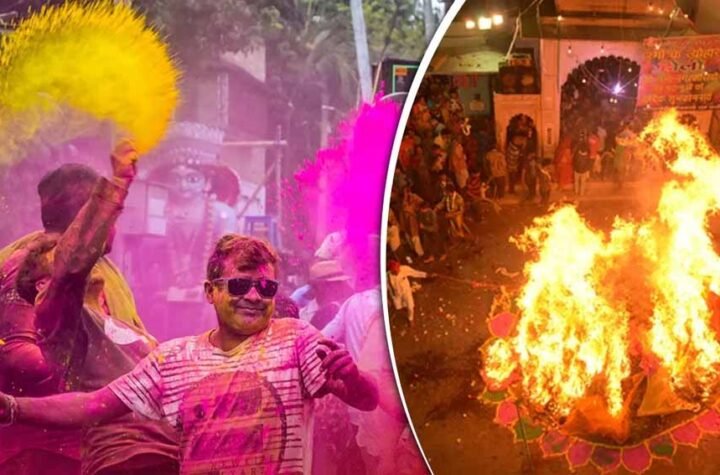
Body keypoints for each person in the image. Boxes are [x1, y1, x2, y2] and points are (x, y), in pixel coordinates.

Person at [0, 234, 379, 474]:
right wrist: (13, 407)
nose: (253, 296)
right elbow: (94, 405)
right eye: (240, 285)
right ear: (210, 291)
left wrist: (354, 378)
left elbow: (366, 399)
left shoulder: (296, 338)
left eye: (265, 288)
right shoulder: (173, 358)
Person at [8, 141, 179, 474]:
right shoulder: (62, 322)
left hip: (164, 451)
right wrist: (117, 183)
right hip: (122, 459)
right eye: (58, 262)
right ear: (43, 285)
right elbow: (72, 266)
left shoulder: (111, 318)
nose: (84, 266)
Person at [134, 122, 239, 340]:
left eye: (192, 179)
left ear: (207, 182)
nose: (183, 186)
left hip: (208, 296)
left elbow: (229, 259)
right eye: (176, 179)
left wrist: (208, 286)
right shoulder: (158, 213)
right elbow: (145, 259)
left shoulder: (223, 214)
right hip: (166, 299)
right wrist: (159, 286)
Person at [299, 259, 353, 330]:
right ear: (318, 285)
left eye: (340, 283)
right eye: (334, 283)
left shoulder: (349, 309)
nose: (339, 287)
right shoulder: (303, 316)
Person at [387, 260, 428, 324]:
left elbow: (415, 273)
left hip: (406, 292)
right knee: (399, 307)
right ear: (391, 270)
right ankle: (405, 307)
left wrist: (426, 275)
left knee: (410, 306)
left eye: (397, 268)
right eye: (394, 270)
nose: (397, 271)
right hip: (396, 295)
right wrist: (388, 299)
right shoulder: (387, 277)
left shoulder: (404, 269)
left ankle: (410, 319)